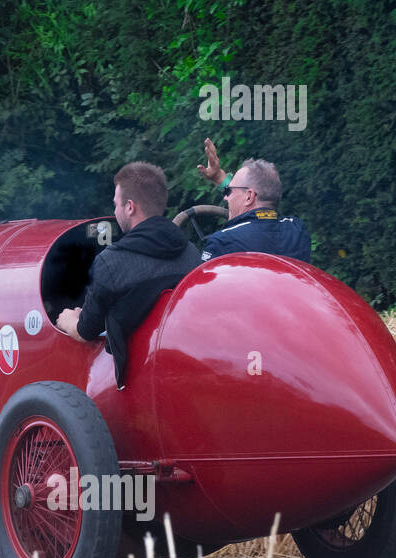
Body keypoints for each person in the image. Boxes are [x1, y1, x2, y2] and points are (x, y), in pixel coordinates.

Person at [57, 162, 201, 387]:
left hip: (141, 380)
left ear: (130, 207)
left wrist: (68, 319)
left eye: (116, 204)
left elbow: (86, 332)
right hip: (186, 364)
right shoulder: (191, 253)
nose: (114, 211)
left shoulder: (110, 263)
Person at [195, 138, 312, 262]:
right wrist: (220, 178)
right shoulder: (297, 230)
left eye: (229, 192)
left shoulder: (223, 242)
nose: (225, 197)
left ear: (249, 197)